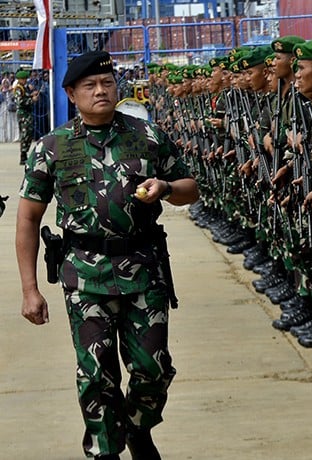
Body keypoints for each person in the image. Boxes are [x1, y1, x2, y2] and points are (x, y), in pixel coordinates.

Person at [15, 50, 199, 459]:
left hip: (143, 271)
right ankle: (104, 449)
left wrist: (165, 189)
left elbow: (190, 187)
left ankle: (138, 427)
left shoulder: (146, 136)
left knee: (153, 369)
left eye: (107, 83)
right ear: (71, 93)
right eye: (89, 86)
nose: (101, 91)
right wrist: (30, 290)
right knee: (96, 377)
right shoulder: (51, 147)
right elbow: (28, 218)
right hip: (85, 277)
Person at [14, 69, 36, 164]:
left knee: (29, 134)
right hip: (23, 114)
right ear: (20, 79)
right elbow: (20, 102)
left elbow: (25, 97)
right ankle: (23, 156)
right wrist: (32, 100)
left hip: (27, 114)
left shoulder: (24, 87)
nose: (26, 80)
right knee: (25, 134)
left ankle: (25, 153)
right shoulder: (18, 88)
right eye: (24, 79)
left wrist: (31, 95)